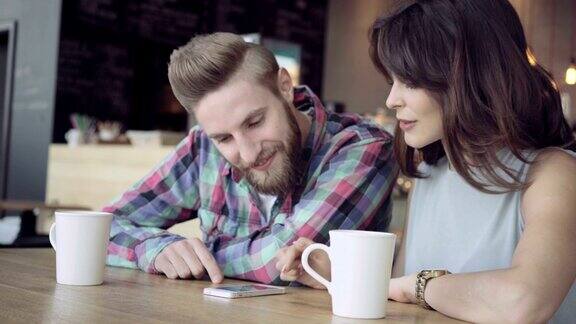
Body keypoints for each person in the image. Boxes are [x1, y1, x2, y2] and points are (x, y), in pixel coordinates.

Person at [276, 1, 576, 322]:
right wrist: (343, 273)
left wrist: (415, 287)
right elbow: (406, 303)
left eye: (411, 81)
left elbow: (524, 301)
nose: (392, 100)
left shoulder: (555, 175)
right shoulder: (429, 174)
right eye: (392, 80)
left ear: (473, 75)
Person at [103, 32, 398, 286]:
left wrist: (203, 254)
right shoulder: (203, 147)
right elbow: (100, 227)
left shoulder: (363, 148)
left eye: (254, 122)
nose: (247, 153)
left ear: (285, 86)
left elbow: (279, 262)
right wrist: (156, 248)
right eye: (224, 138)